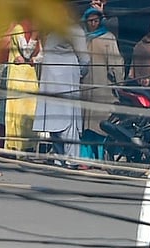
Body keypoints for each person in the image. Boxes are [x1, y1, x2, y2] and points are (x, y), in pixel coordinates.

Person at [33, 24, 90, 164]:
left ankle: (66, 159)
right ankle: (64, 158)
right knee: (59, 120)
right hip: (57, 80)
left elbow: (84, 59)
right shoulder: (60, 29)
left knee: (62, 120)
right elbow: (84, 59)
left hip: (59, 79)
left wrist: (78, 73)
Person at [80, 6, 123, 161]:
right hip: (84, 89)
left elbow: (116, 63)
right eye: (90, 20)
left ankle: (101, 159)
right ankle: (85, 159)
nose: (93, 23)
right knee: (85, 126)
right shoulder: (82, 38)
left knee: (102, 125)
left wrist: (119, 82)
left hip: (103, 88)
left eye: (96, 20)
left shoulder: (107, 37)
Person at [4, 21, 40, 151]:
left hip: (30, 75)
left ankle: (29, 146)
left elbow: (41, 55)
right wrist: (35, 36)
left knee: (30, 111)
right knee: (19, 112)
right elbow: (26, 52)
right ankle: (17, 147)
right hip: (18, 76)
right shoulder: (18, 29)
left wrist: (33, 60)